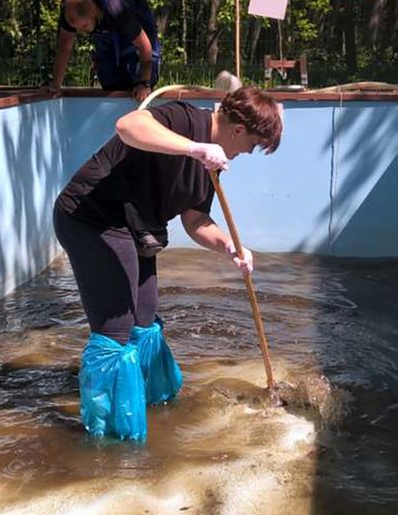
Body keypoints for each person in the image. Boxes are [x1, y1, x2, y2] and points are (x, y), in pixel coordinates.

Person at [53, 86, 283, 441]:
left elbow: (196, 220)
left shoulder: (211, 165)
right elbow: (128, 125)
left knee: (144, 322)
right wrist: (193, 148)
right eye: (251, 145)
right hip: (92, 218)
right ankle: (108, 437)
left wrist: (229, 247)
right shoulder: (183, 119)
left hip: (136, 228)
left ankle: (144, 405)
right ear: (237, 130)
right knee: (116, 328)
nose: (245, 153)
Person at [51, 0, 161, 102]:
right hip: (105, 30)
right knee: (107, 77)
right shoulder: (69, 13)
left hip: (137, 25)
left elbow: (145, 47)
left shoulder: (117, 10)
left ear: (94, 11)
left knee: (134, 76)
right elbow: (64, 49)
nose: (80, 31)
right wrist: (55, 86)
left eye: (84, 26)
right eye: (76, 28)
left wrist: (144, 83)